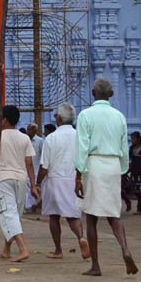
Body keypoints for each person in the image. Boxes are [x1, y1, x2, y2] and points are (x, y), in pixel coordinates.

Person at [75, 78, 138, 276]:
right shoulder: (119, 116)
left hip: (93, 165)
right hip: (113, 165)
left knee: (91, 217)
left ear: (93, 93)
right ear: (110, 95)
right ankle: (125, 249)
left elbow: (82, 146)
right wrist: (122, 169)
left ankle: (96, 265)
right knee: (113, 214)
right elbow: (124, 148)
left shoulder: (85, 115)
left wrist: (78, 173)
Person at [36, 103, 88, 260]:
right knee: (73, 215)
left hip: (55, 180)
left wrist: (37, 183)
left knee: (54, 216)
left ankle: (58, 250)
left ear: (58, 118)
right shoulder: (79, 136)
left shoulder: (51, 138)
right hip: (74, 179)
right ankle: (81, 237)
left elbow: (44, 166)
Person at [0, 105, 36, 262]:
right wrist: (33, 185)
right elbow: (29, 163)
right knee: (14, 215)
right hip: (21, 179)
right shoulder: (25, 138)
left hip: (3, 178)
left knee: (8, 214)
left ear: (5, 120)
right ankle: (6, 249)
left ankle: (23, 250)